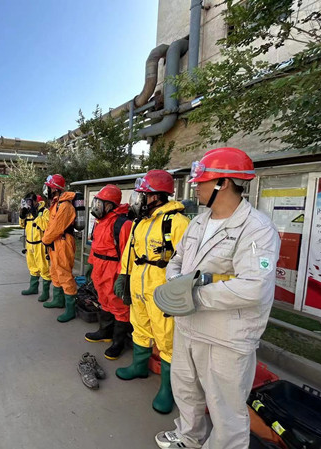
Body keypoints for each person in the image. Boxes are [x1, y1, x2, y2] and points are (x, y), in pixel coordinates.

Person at [154, 148, 280, 449]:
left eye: (202, 182)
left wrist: (191, 296)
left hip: (227, 335)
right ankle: (189, 437)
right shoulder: (198, 223)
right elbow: (177, 260)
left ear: (223, 183)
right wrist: (175, 283)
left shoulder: (257, 229)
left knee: (226, 409)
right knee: (186, 389)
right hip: (188, 325)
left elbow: (253, 287)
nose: (196, 187)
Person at [114, 169, 189, 414]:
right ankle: (139, 366)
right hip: (139, 285)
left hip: (162, 289)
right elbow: (130, 251)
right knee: (140, 326)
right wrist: (124, 276)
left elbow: (187, 262)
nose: (138, 199)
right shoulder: (141, 222)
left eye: (143, 195)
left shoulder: (178, 223)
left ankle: (168, 388)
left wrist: (178, 292)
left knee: (167, 337)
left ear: (156, 196)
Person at [85, 184, 134, 360]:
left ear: (110, 205)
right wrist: (91, 265)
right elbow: (95, 245)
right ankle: (105, 332)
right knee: (103, 300)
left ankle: (118, 343)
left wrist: (123, 276)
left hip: (113, 269)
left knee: (119, 306)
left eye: (100, 204)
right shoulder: (100, 222)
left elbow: (126, 253)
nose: (96, 207)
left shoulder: (123, 224)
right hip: (99, 267)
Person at [41, 174, 78, 322]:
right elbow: (51, 226)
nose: (46, 190)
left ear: (55, 189)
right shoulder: (57, 204)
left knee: (64, 273)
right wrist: (47, 240)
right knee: (55, 271)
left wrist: (45, 240)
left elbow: (56, 228)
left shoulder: (65, 206)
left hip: (63, 242)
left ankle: (70, 309)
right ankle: (58, 300)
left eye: (49, 187)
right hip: (56, 242)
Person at [19, 193, 51, 301]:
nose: (28, 204)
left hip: (40, 244)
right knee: (32, 267)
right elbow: (22, 225)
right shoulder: (27, 211)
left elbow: (46, 226)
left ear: (36, 201)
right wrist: (22, 215)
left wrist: (36, 215)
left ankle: (45, 292)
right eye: (27, 201)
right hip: (29, 244)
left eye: (30, 201)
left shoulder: (44, 211)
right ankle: (33, 288)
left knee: (44, 268)